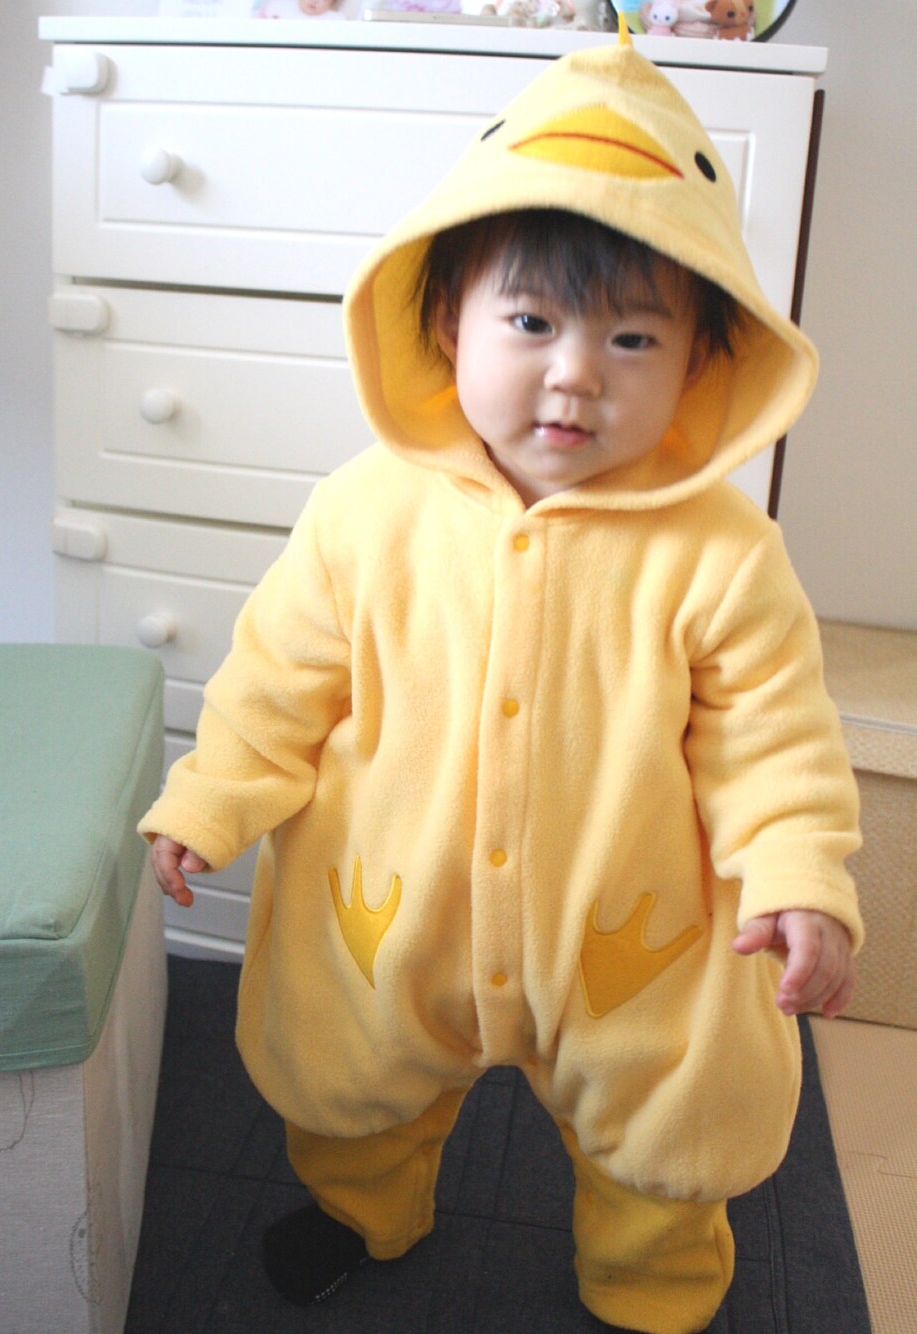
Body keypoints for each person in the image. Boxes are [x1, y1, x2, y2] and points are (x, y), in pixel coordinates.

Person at [140, 23, 862, 1334]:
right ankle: (363, 1209)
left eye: (633, 339)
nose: (575, 373)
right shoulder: (365, 512)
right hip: (393, 903)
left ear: (703, 362)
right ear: (444, 321)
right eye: (530, 321)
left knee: (661, 1135)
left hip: (632, 928)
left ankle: (649, 1283)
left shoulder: (722, 552)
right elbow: (276, 679)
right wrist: (210, 796)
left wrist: (800, 874)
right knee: (352, 1089)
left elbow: (774, 735)